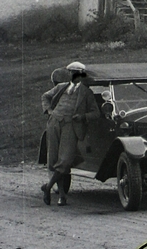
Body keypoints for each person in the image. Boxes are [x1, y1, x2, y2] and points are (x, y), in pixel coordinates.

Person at [40, 61, 105, 206]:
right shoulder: (61, 87)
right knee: (54, 159)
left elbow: (96, 113)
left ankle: (48, 187)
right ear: (69, 74)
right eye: (72, 73)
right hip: (54, 123)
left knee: (65, 160)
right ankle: (62, 196)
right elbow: (45, 97)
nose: (75, 75)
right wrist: (49, 111)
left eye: (78, 73)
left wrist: (82, 117)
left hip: (72, 126)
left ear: (82, 75)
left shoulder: (87, 93)